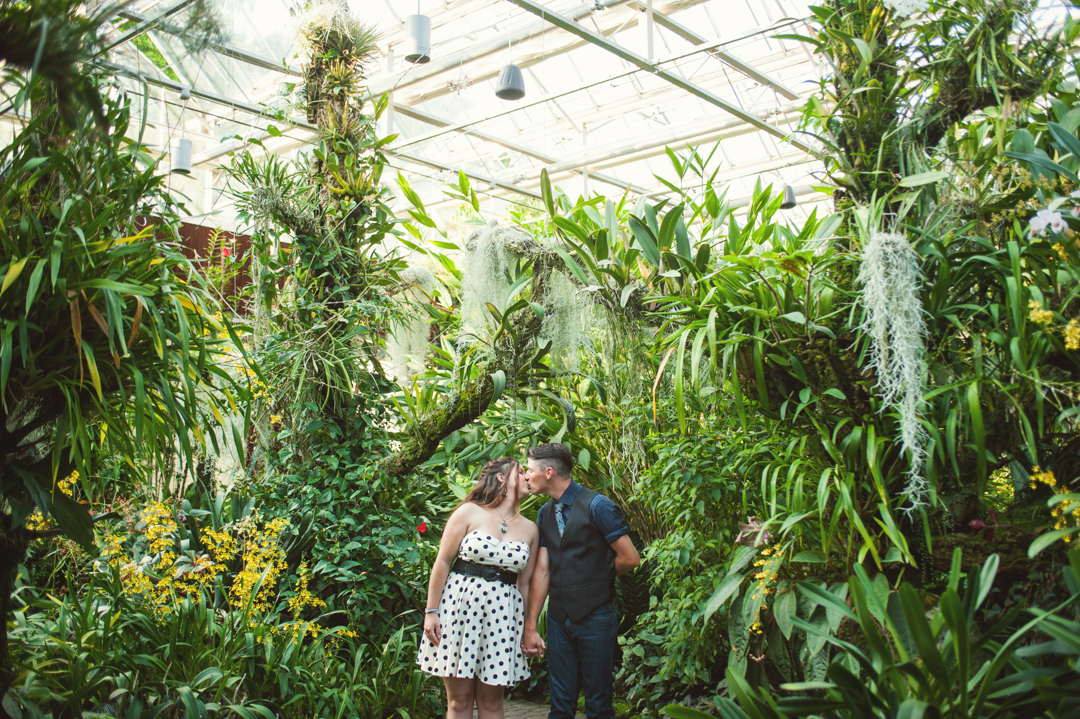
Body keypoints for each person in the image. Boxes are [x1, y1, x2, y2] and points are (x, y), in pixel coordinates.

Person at [520, 443, 640, 719]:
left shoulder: (598, 505)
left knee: (598, 704)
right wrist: (531, 625)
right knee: (560, 706)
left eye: (529, 470)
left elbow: (630, 558)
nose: (526, 476)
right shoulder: (544, 513)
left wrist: (592, 580)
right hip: (558, 618)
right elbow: (542, 571)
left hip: (596, 615)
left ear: (548, 473)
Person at [418, 457, 540, 719]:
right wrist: (431, 611)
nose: (528, 476)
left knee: (492, 703)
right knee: (459, 701)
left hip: (502, 618)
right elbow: (443, 561)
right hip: (460, 611)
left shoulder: (531, 529)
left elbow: (525, 583)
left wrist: (527, 628)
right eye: (521, 471)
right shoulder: (469, 512)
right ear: (501, 477)